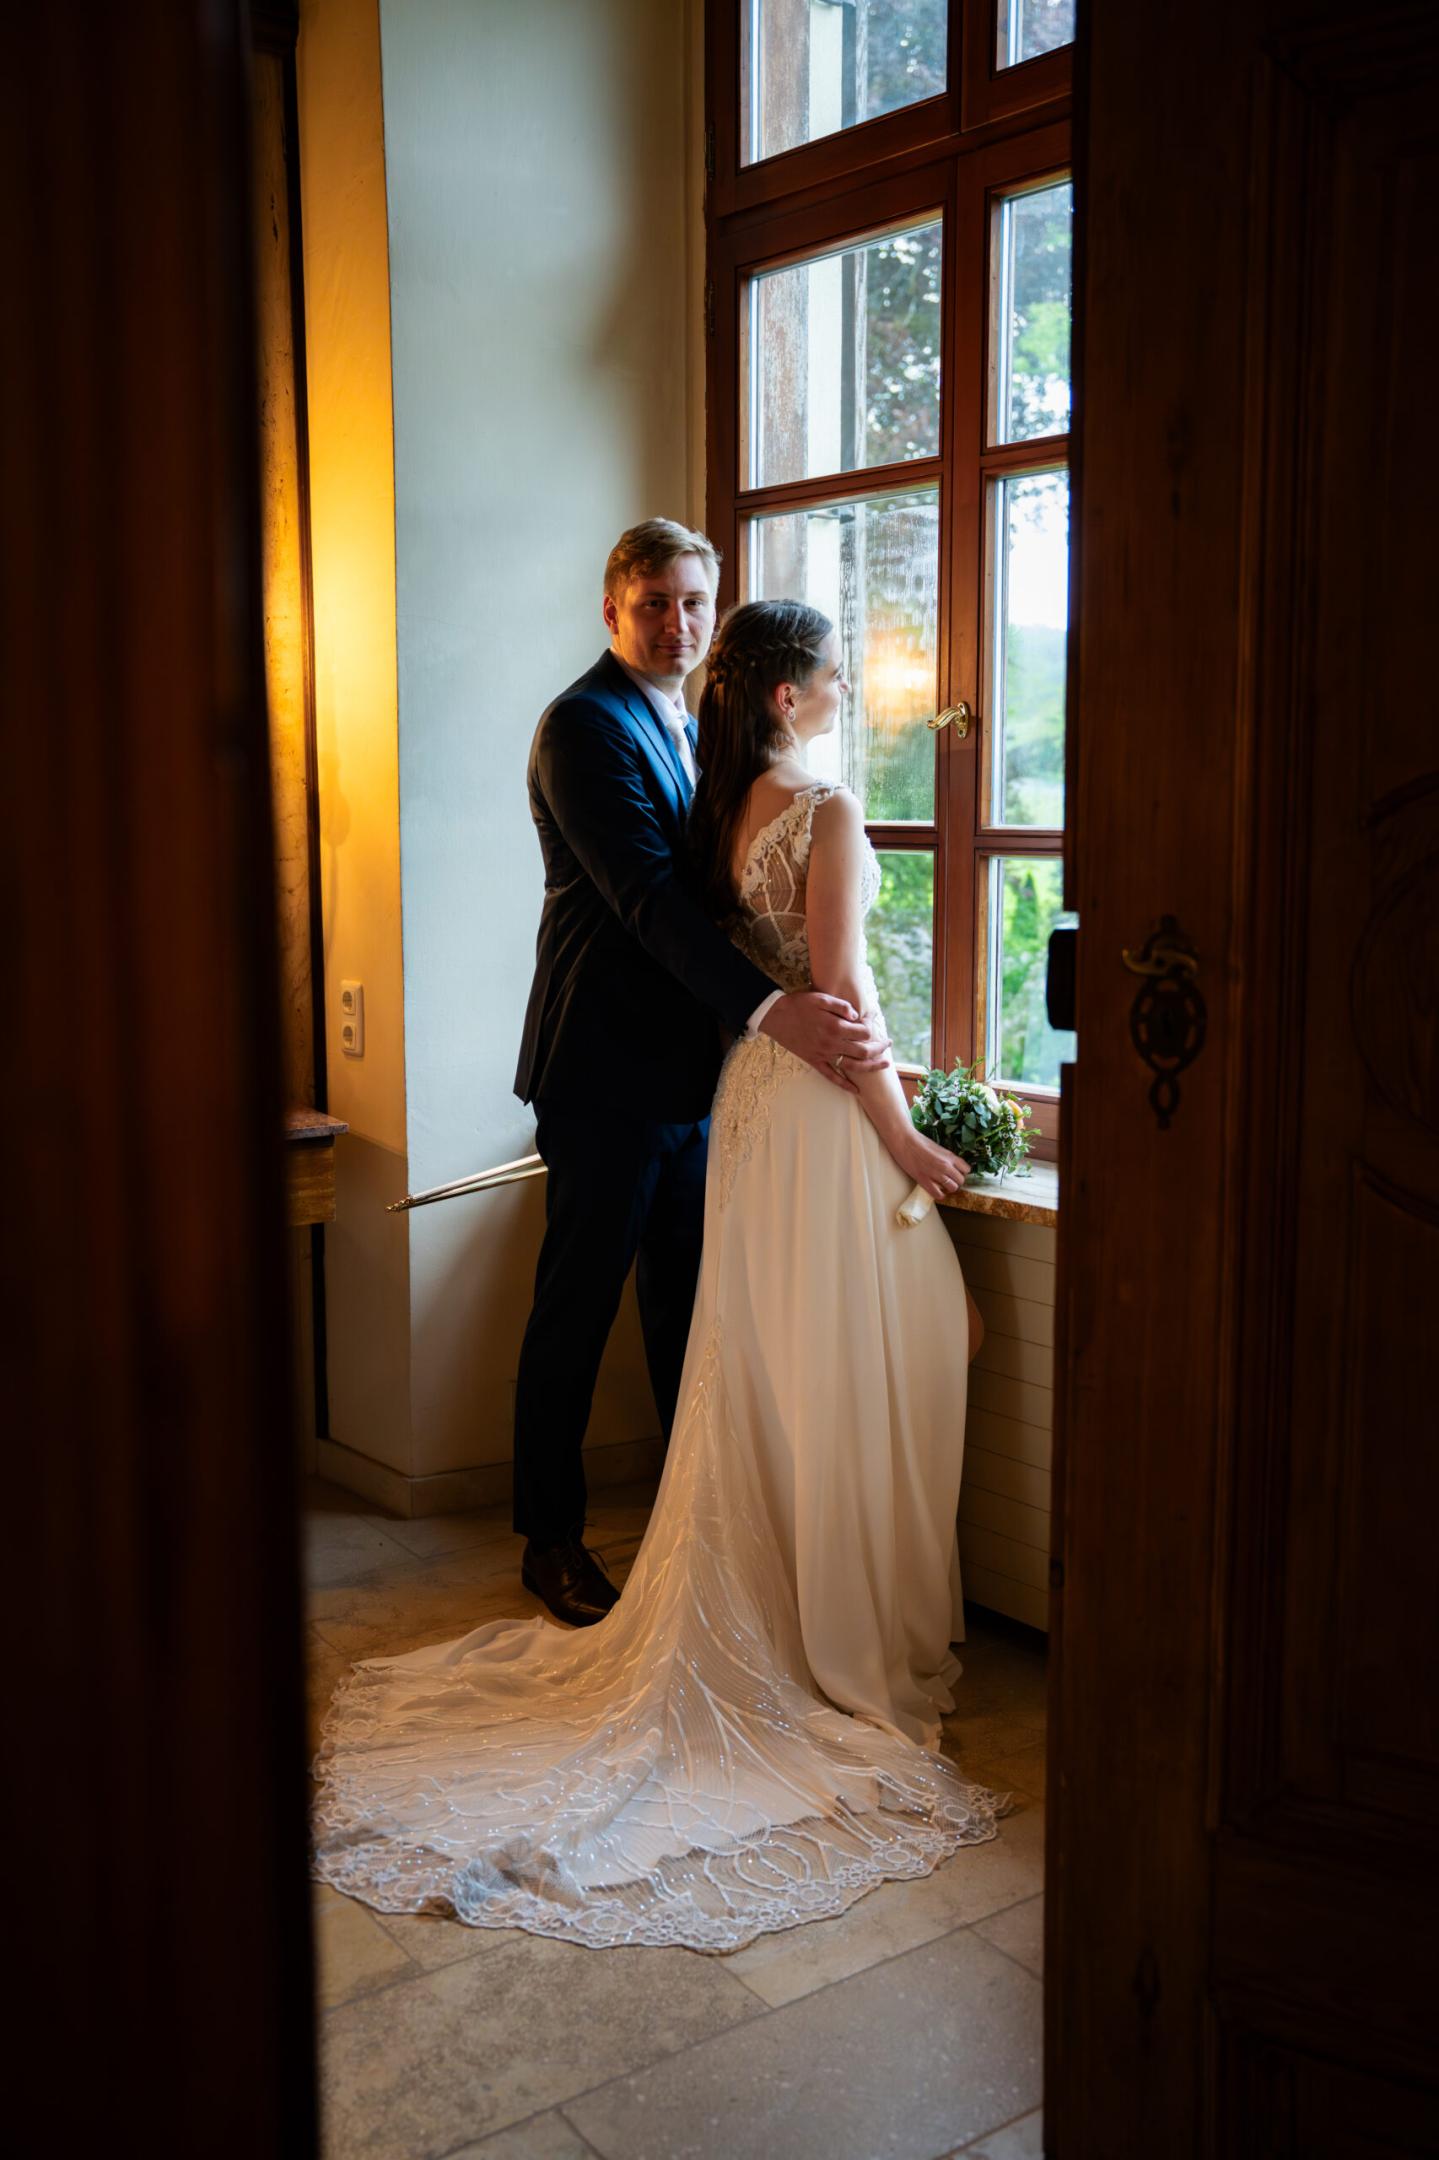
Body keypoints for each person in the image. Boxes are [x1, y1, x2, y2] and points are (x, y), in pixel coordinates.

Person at [312, 597, 997, 1955]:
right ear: (790, 694)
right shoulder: (659, 754)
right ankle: (646, 1564)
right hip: (725, 1088)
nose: (847, 689)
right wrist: (903, 1128)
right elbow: (815, 989)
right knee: (731, 1326)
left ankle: (775, 1592)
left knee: (742, 1347)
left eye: (698, 605)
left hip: (735, 1095)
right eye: (833, 674)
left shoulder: (717, 786)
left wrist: (782, 1032)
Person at [510, 519, 892, 1627]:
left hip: (699, 1075)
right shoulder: (583, 726)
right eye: (653, 604)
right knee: (576, 1308)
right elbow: (646, 901)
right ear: (611, 611)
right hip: (601, 1071)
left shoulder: (690, 726)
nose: (676, 624)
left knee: (692, 1315)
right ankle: (549, 1539)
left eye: (692, 604)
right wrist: (775, 1011)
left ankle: (697, 1542)